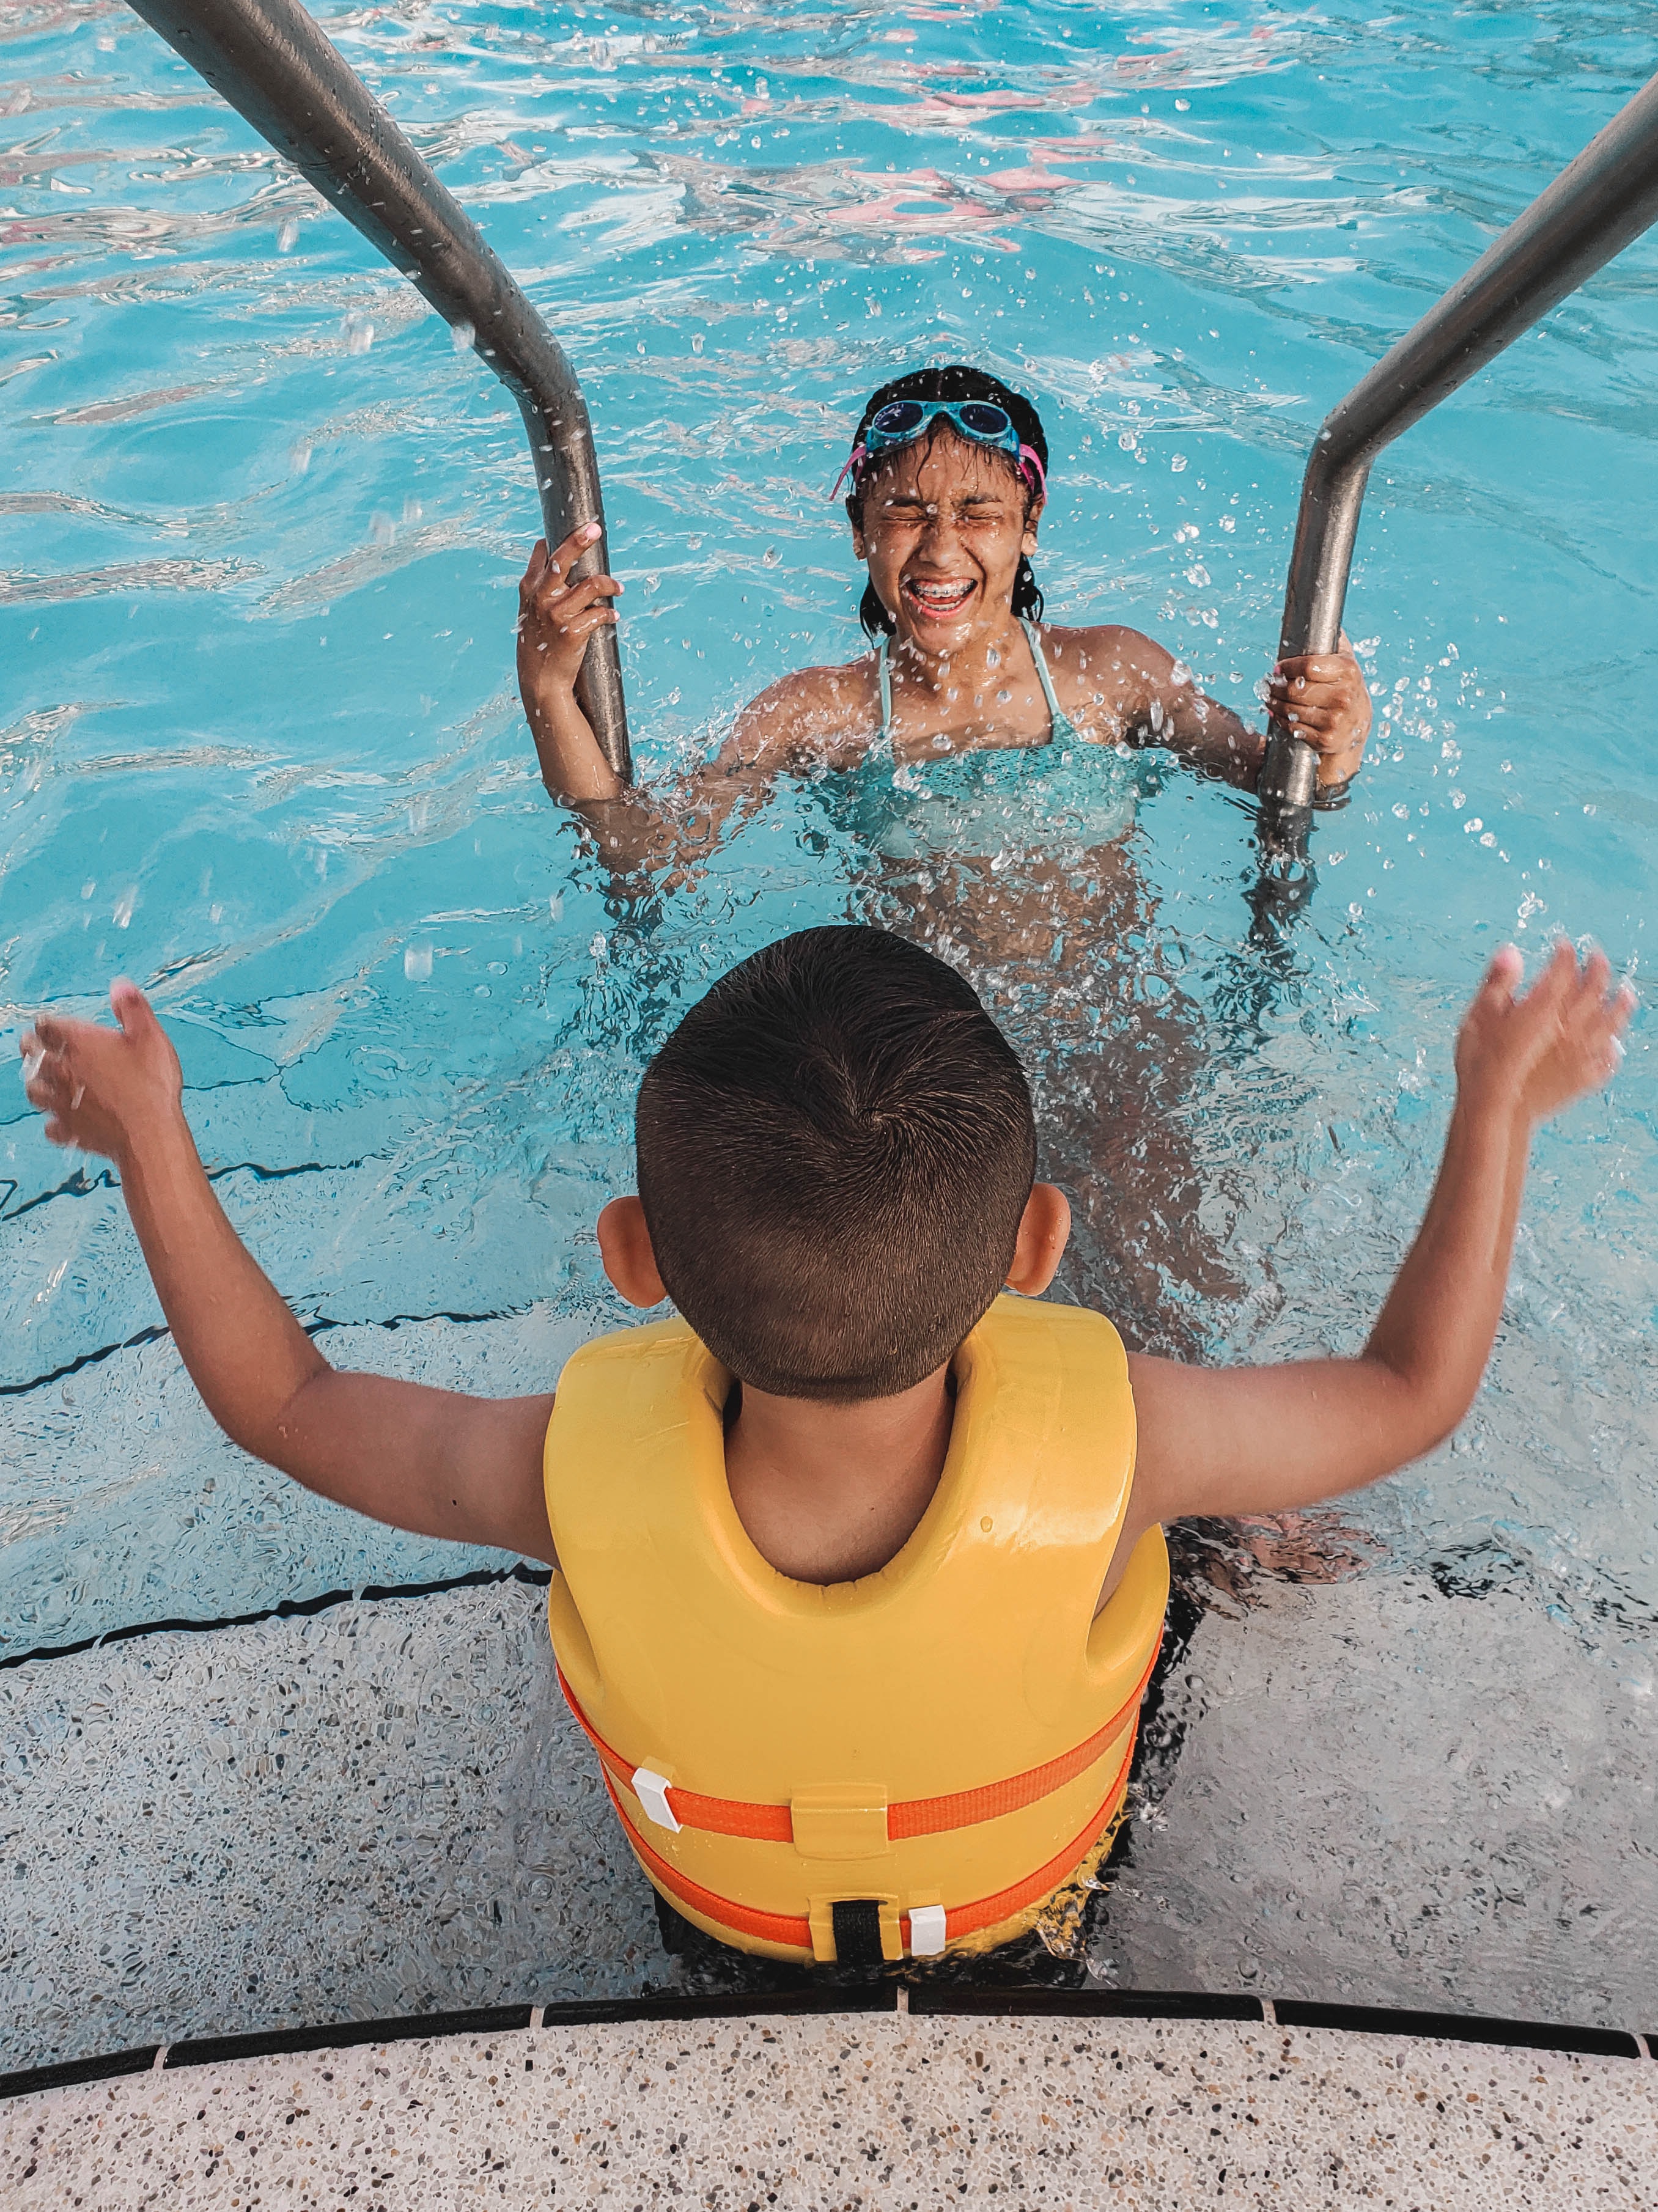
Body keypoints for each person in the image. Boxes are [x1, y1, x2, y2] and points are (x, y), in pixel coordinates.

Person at [19, 927, 1628, 1967]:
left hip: (725, 1937)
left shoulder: (558, 1479)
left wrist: (154, 1135)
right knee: (1186, 1544)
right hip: (1035, 1921)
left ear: (633, 1258)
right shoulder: (1129, 1436)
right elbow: (1410, 1387)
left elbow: (285, 1404)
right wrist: (1496, 1104)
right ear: (1037, 1242)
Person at [513, 365, 1373, 868]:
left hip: (1109, 1041)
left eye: (978, 514)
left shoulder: (1113, 672)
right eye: (905, 514)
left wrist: (1335, 746)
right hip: (918, 1079)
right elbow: (644, 856)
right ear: (858, 533)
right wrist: (549, 691)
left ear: (1029, 526)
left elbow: (1279, 798)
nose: (940, 549)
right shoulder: (817, 714)